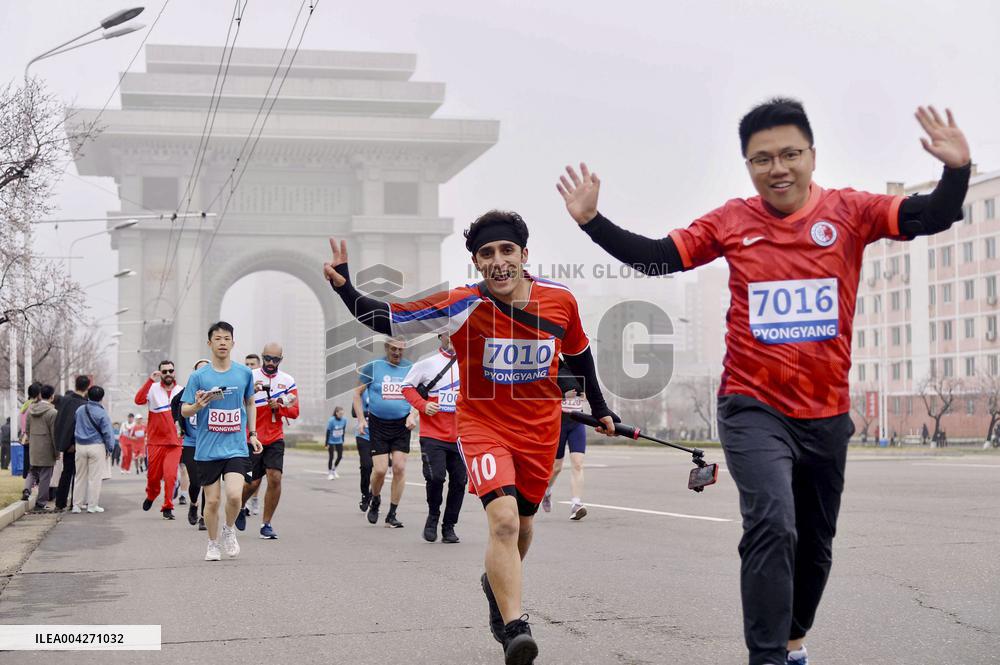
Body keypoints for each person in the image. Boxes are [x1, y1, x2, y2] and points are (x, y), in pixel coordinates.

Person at [556, 99, 971, 665]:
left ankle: (793, 640)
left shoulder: (851, 210)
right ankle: (768, 657)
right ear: (747, 165)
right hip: (753, 405)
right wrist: (591, 222)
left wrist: (957, 171)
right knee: (773, 522)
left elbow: (932, 215)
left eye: (790, 155)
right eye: (762, 159)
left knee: (815, 546)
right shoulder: (732, 221)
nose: (778, 168)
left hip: (825, 414)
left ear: (812, 155)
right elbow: (658, 259)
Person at [325, 209, 617, 665]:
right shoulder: (461, 303)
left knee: (521, 526)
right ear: (476, 264)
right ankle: (515, 625)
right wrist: (346, 287)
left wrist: (600, 408)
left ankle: (494, 583)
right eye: (486, 254)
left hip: (539, 431)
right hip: (484, 426)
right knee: (501, 521)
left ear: (524, 254)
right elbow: (388, 319)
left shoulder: (560, 301)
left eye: (506, 250)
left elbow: (579, 355)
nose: (498, 261)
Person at [181, 321, 261, 562]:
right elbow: (184, 410)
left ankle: (229, 529)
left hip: (236, 446)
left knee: (235, 495)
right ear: (210, 343)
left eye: (227, 338)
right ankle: (212, 543)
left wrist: (253, 433)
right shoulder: (198, 376)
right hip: (208, 448)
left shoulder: (244, 373)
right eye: (218, 338)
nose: (223, 342)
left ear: (233, 343)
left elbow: (250, 402)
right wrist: (197, 406)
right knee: (213, 501)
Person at [401, 332, 466, 543]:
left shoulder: (471, 363)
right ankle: (433, 516)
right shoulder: (428, 363)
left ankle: (449, 526)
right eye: (451, 333)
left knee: (459, 482)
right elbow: (407, 387)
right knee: (436, 477)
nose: (455, 337)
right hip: (433, 435)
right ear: (442, 336)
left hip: (462, 437)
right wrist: (423, 405)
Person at [235, 342, 299, 540]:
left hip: (275, 437)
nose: (271, 363)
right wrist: (250, 392)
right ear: (262, 357)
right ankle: (239, 506)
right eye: (268, 358)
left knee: (275, 477)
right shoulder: (250, 376)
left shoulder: (287, 381)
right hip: (252, 437)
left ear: (281, 360)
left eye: (276, 359)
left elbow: (295, 411)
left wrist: (278, 407)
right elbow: (236, 403)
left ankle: (266, 523)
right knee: (253, 483)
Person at [353, 337, 414, 528]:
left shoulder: (410, 368)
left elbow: (420, 396)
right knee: (379, 470)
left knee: (399, 468)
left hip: (401, 425)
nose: (397, 353)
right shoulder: (374, 366)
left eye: (401, 350)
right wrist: (362, 420)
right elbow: (357, 393)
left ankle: (392, 513)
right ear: (387, 348)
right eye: (393, 349)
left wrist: (413, 415)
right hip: (378, 424)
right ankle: (375, 499)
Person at [136, 360, 185, 520]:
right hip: (155, 442)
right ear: (160, 373)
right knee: (153, 477)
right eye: (164, 372)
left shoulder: (182, 391)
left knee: (171, 476)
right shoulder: (152, 389)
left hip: (175, 443)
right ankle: (152, 495)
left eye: (171, 370)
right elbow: (138, 400)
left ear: (174, 372)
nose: (168, 374)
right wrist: (150, 380)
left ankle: (168, 506)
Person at [542, 359, 589, 520]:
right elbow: (544, 394)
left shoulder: (582, 368)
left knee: (578, 463)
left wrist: (584, 395)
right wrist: (563, 396)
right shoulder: (556, 368)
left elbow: (588, 393)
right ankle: (546, 491)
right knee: (556, 467)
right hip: (559, 423)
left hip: (578, 422)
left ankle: (576, 504)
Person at [172, 359, 210, 529]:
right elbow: (175, 406)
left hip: (210, 442)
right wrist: (178, 424)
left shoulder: (216, 393)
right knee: (195, 481)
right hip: (191, 442)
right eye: (199, 370)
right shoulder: (185, 393)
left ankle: (204, 517)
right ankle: (193, 504)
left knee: (208, 482)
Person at [72, 386, 116, 514]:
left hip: (80, 446)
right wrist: (110, 448)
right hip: (97, 446)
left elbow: (75, 424)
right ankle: (92, 505)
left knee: (79, 477)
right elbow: (108, 433)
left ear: (88, 395)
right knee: (94, 478)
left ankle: (76, 505)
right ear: (101, 398)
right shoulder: (102, 413)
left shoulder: (80, 410)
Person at [54, 376, 91, 511]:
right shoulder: (83, 404)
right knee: (79, 474)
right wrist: (73, 443)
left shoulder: (64, 401)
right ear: (87, 387)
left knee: (66, 472)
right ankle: (75, 502)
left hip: (65, 443)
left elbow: (60, 422)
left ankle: (60, 502)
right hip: (77, 443)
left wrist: (63, 442)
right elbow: (77, 425)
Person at [24, 385, 59, 512]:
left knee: (32, 471)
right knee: (45, 475)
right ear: (52, 396)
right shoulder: (53, 412)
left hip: (34, 445)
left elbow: (27, 429)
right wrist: (57, 452)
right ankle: (41, 503)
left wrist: (33, 439)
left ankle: (26, 490)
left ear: (40, 395)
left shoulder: (31, 409)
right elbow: (54, 434)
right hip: (47, 448)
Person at [244, 353, 263, 516]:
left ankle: (254, 499)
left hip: (260, 435)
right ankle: (243, 500)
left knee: (257, 473)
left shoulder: (265, 385)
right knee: (245, 471)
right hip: (243, 435)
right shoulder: (243, 382)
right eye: (247, 364)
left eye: (252, 364)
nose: (249, 368)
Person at [353, 390, 373, 511]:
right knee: (367, 466)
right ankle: (365, 494)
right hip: (363, 434)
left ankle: (375, 496)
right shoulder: (362, 391)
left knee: (379, 470)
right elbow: (353, 412)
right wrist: (371, 413)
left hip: (380, 436)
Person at [325, 406, 347, 479]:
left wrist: (343, 439)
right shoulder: (331, 420)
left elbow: (343, 430)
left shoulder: (344, 420)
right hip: (331, 441)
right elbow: (328, 431)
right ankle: (330, 473)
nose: (341, 415)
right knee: (331, 457)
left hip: (339, 440)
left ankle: (334, 469)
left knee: (340, 456)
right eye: (340, 414)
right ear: (336, 413)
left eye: (342, 414)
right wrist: (326, 443)